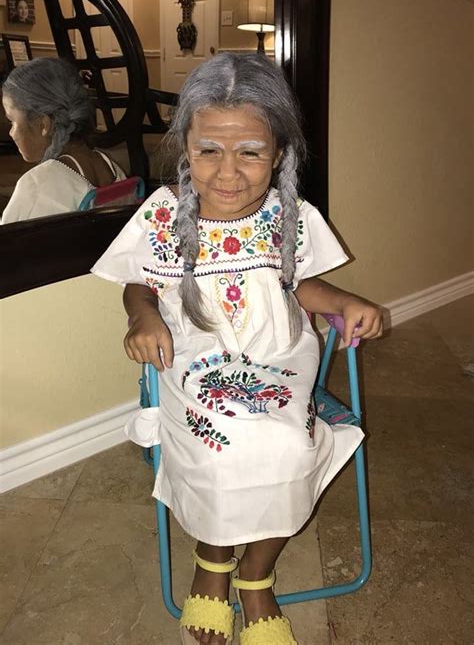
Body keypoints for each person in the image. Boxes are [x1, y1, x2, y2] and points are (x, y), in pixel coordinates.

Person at [92, 52, 383, 645]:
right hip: (195, 349)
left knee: (287, 444)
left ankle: (256, 574)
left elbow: (300, 282)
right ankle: (211, 562)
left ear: (279, 153)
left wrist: (343, 300)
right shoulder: (167, 215)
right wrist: (144, 316)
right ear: (185, 148)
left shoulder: (290, 216)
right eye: (208, 151)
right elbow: (139, 283)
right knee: (222, 448)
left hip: (277, 345)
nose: (228, 174)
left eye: (250, 151)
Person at [1, 57, 127, 223]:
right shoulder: (112, 167)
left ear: (43, 125)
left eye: (13, 121)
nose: (11, 132)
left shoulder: (37, 184)